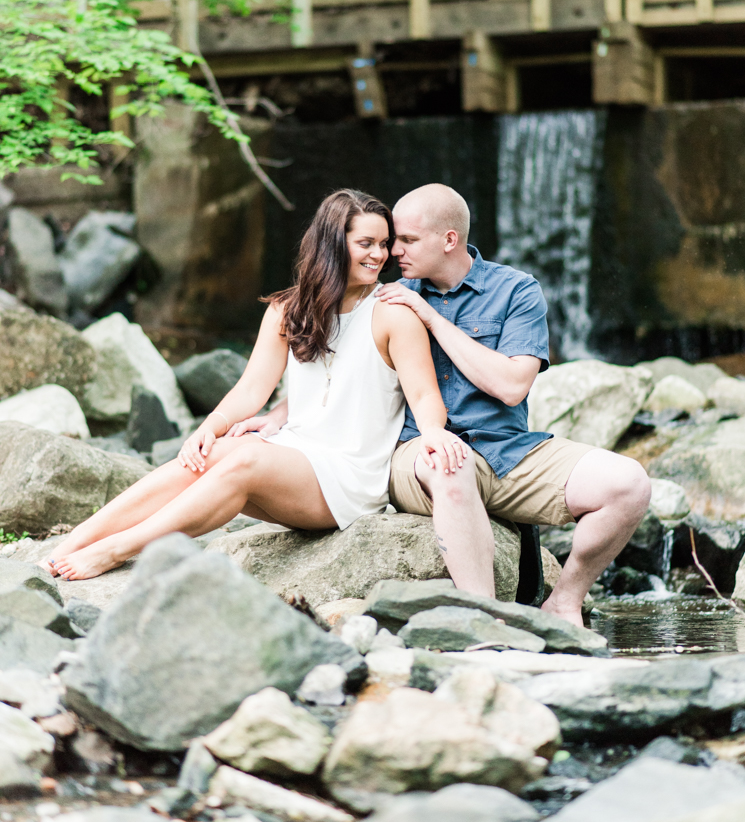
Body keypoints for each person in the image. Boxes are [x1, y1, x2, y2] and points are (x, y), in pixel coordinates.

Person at [41, 189, 467, 582]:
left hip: (348, 476)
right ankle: (73, 543)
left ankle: (116, 550)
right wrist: (209, 427)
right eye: (366, 243)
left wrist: (433, 433)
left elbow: (425, 394)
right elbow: (251, 389)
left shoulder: (393, 313)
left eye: (383, 243)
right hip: (296, 452)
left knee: (246, 459)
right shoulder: (288, 309)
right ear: (334, 244)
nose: (380, 255)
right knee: (212, 453)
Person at [373, 183, 651, 628]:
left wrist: (431, 318)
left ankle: (563, 602)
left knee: (629, 483)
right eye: (393, 240)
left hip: (508, 450)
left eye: (407, 240)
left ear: (449, 239)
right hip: (419, 453)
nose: (393, 252)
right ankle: (486, 621)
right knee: (451, 464)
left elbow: (510, 386)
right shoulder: (388, 297)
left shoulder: (516, 291)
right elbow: (338, 372)